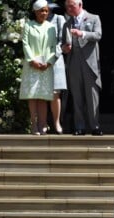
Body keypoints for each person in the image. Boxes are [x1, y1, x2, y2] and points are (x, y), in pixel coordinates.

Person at [61, 0, 103, 136]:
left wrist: (82, 34)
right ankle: (79, 126)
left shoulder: (94, 18)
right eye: (67, 6)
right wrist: (65, 49)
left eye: (71, 6)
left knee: (92, 96)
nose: (69, 8)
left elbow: (98, 35)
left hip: (90, 62)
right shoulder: (67, 24)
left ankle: (95, 126)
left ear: (80, 5)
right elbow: (63, 44)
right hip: (74, 62)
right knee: (77, 96)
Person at [19, 0, 57, 135]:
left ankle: (43, 124)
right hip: (32, 66)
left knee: (43, 97)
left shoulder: (51, 27)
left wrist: (49, 61)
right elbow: (25, 44)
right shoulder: (29, 25)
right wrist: (32, 60)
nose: (44, 13)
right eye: (42, 11)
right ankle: (33, 125)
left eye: (46, 11)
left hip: (46, 66)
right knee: (33, 95)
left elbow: (54, 46)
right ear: (35, 12)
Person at [47, 0, 67, 134]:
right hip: (41, 58)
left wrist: (54, 55)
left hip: (56, 58)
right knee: (41, 93)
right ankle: (42, 123)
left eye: (48, 8)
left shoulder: (59, 19)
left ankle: (56, 122)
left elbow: (63, 40)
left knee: (55, 93)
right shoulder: (36, 21)